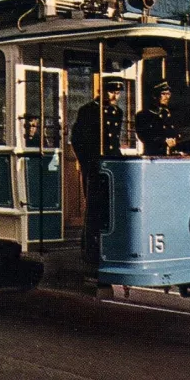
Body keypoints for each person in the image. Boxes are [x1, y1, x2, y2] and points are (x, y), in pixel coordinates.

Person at [71, 78, 124, 265]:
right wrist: (87, 163)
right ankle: (90, 251)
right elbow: (77, 139)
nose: (115, 96)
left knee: (110, 206)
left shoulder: (117, 112)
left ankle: (108, 247)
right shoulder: (88, 111)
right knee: (93, 208)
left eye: (118, 93)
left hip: (112, 166)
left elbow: (114, 142)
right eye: (111, 92)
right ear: (101, 91)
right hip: (94, 166)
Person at [136, 81, 190, 156]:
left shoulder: (171, 115)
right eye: (163, 94)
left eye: (168, 94)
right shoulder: (143, 115)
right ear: (154, 95)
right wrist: (163, 142)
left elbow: (180, 136)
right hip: (154, 157)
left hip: (173, 157)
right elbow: (145, 137)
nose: (167, 97)